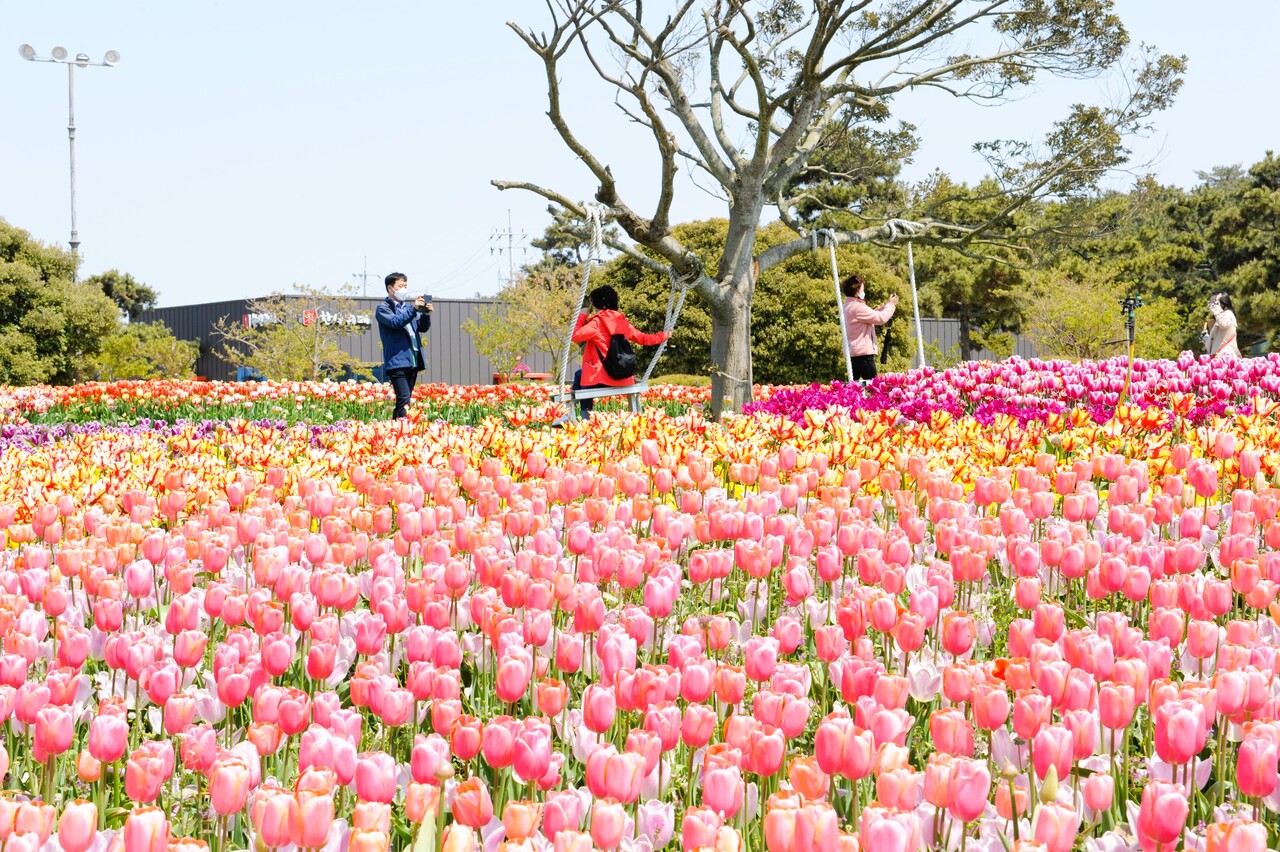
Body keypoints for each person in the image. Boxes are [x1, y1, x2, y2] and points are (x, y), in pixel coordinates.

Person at [565, 285, 668, 419]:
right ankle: (570, 410)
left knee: (582, 376)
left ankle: (583, 417)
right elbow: (644, 339)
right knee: (581, 375)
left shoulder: (597, 323)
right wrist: (663, 335)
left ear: (596, 304)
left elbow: (575, 336)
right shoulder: (621, 322)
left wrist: (582, 315)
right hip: (623, 377)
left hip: (601, 380)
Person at [376, 272, 432, 419]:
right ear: (390, 288)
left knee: (404, 401)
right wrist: (413, 309)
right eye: (400, 286)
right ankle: (402, 430)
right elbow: (396, 322)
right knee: (404, 400)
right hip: (397, 361)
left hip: (412, 360)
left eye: (406, 286)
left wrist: (425, 314)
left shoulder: (407, 308)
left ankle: (394, 430)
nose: (404, 289)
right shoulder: (383, 309)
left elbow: (422, 328)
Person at [841, 274, 898, 381]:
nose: (864, 291)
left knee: (853, 387)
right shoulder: (857, 308)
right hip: (863, 355)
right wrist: (891, 305)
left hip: (853, 352)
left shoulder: (848, 306)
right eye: (863, 289)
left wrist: (886, 306)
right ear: (857, 291)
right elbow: (880, 318)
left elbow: (870, 315)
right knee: (874, 388)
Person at [1202, 292, 1240, 359]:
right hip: (1219, 355)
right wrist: (1205, 337)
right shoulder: (1220, 317)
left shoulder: (1228, 314)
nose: (1212, 305)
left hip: (1227, 356)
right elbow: (1217, 340)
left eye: (1215, 303)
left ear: (1222, 304)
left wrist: (1216, 312)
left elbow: (1223, 324)